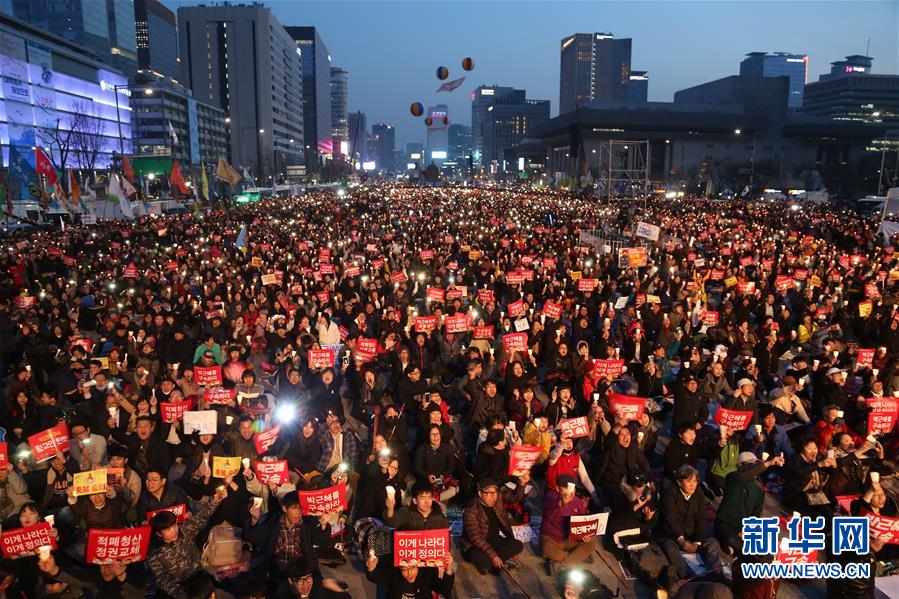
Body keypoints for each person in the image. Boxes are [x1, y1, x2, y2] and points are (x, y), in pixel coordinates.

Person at [147, 484, 227, 599]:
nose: (174, 531)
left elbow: (201, 517)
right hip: (178, 588)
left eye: (174, 526)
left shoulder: (184, 530)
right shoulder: (154, 553)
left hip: (197, 577)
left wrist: (216, 499)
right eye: (168, 530)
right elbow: (165, 581)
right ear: (159, 533)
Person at [658, 465, 722, 583]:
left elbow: (701, 517)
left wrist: (697, 542)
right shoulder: (669, 493)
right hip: (673, 534)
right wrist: (682, 541)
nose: (693, 485)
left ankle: (715, 573)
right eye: (689, 481)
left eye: (695, 481)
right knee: (670, 547)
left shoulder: (698, 493)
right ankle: (687, 575)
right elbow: (670, 518)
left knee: (713, 543)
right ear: (679, 482)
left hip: (691, 533)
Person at [714, 452, 784, 556]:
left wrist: (746, 530)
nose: (755, 468)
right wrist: (768, 463)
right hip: (724, 524)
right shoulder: (732, 477)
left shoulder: (758, 488)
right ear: (741, 465)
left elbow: (756, 514)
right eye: (751, 465)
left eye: (756, 465)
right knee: (741, 546)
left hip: (742, 528)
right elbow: (743, 476)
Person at [460, 478, 525, 574]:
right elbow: (476, 538)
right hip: (476, 545)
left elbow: (514, 498)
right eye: (488, 493)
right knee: (474, 555)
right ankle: (496, 565)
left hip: (494, 539)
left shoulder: (498, 498)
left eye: (495, 492)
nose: (493, 496)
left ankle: (489, 565)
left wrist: (521, 484)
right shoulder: (471, 510)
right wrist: (494, 556)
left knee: (518, 545)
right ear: (480, 493)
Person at [539, 473, 597, 575]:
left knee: (591, 544)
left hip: (569, 538)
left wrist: (586, 534)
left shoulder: (578, 502)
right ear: (557, 488)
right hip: (551, 538)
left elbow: (585, 519)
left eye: (572, 487)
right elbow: (550, 512)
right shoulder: (551, 497)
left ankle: (563, 564)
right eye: (565, 487)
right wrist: (562, 502)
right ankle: (576, 557)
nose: (570, 491)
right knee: (546, 549)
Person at [364, 552, 455, 599]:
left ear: (418, 566)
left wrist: (448, 569)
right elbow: (374, 576)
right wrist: (371, 567)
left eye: (413, 568)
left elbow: (444, 589)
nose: (409, 573)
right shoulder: (395, 574)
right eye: (404, 570)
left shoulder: (427, 573)